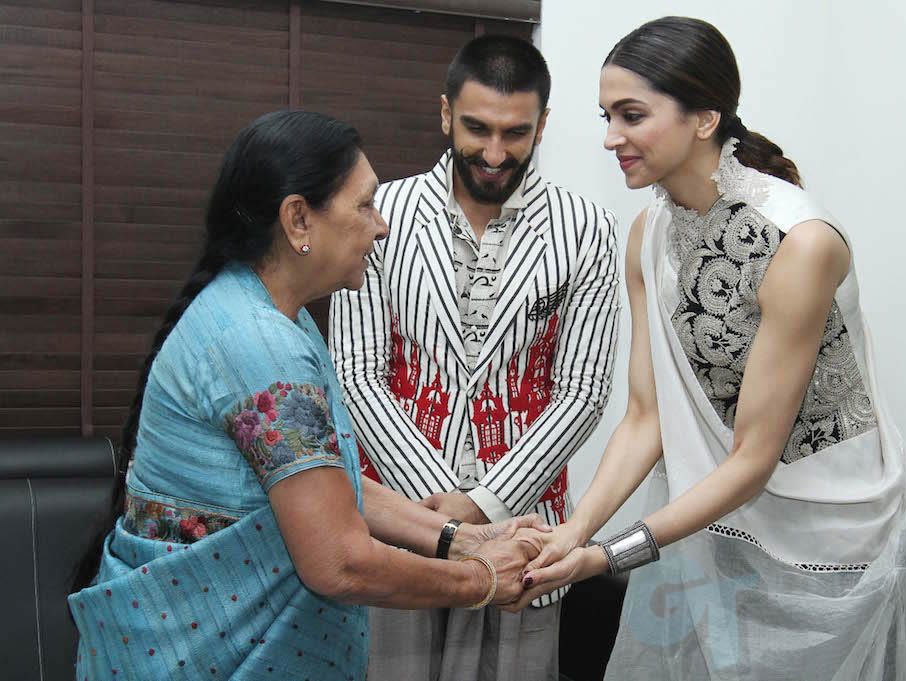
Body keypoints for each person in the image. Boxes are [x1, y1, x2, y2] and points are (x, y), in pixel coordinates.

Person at [508, 16, 906, 681]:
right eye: (606, 115)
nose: (610, 138)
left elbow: (750, 458)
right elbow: (646, 416)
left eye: (631, 115)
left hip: (839, 543)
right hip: (721, 527)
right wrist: (575, 530)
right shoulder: (648, 236)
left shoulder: (800, 243)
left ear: (705, 117)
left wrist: (605, 555)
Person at [67, 110, 547, 681]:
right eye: (365, 205)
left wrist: (464, 539)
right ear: (299, 219)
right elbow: (338, 561)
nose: (382, 226)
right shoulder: (258, 341)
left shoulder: (274, 317)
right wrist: (481, 581)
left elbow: (325, 479)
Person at [330, 35, 621, 681]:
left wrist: (483, 506)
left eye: (516, 133)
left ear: (543, 125)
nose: (494, 153)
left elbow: (583, 391)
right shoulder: (382, 215)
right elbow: (356, 374)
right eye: (477, 128)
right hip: (397, 534)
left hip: (526, 536)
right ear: (444, 114)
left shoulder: (586, 229)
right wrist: (439, 517)